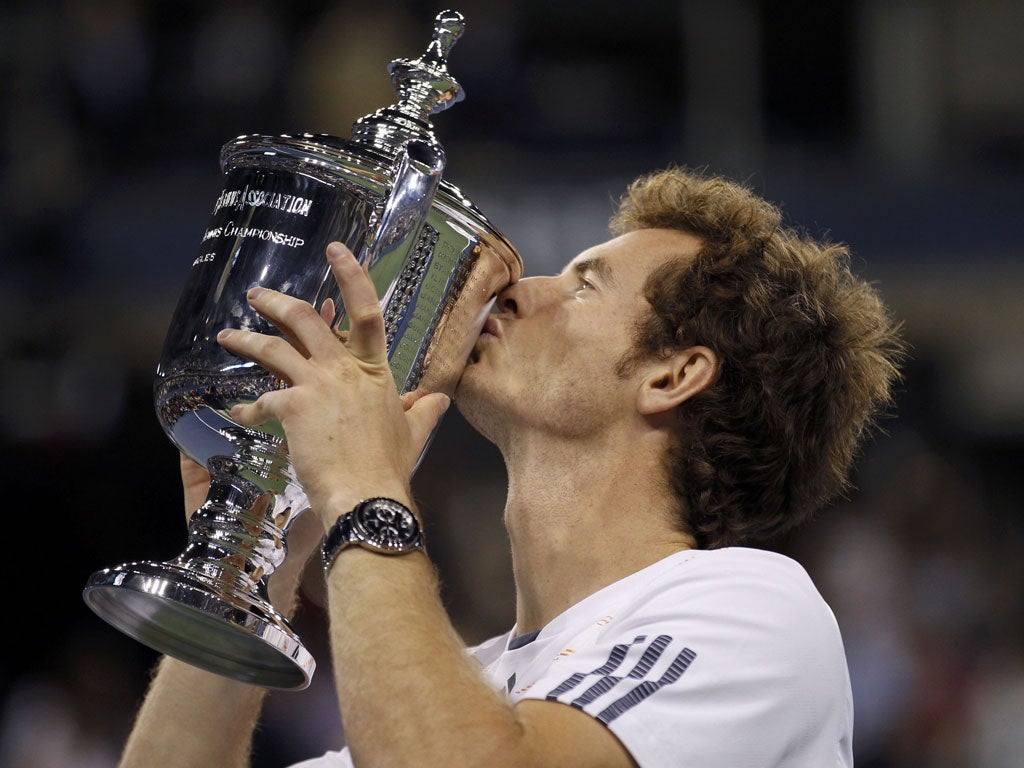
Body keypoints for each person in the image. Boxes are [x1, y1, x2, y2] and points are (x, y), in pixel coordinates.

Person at [118, 166, 904, 767]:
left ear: (672, 374)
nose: (517, 294)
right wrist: (246, 568)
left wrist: (362, 486)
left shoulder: (753, 611)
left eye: (584, 284)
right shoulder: (441, 692)